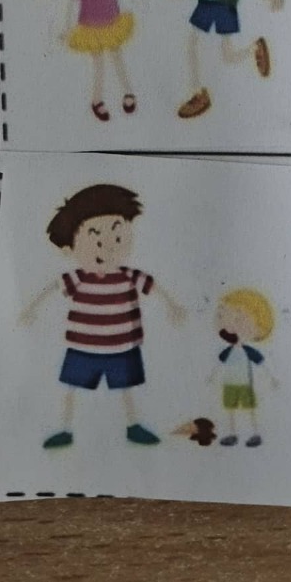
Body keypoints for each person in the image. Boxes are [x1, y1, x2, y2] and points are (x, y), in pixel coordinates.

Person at [18, 183, 186, 449]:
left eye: (117, 237)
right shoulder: (78, 277)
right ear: (69, 248)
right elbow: (53, 288)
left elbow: (152, 286)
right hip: (83, 346)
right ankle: (65, 428)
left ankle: (133, 426)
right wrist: (30, 309)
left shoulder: (129, 276)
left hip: (123, 346)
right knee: (72, 388)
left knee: (125, 389)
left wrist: (172, 306)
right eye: (97, 240)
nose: (108, 247)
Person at [213, 288, 275, 447]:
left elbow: (261, 363)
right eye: (222, 315)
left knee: (249, 409)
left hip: (245, 385)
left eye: (238, 318)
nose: (229, 326)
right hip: (230, 384)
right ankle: (232, 434)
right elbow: (219, 364)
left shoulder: (248, 351)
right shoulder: (228, 351)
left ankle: (255, 433)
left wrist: (271, 378)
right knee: (230, 410)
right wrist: (212, 377)